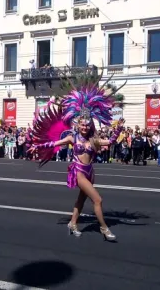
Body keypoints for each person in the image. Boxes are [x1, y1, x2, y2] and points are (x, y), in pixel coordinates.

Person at [28, 73, 127, 241]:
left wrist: (118, 128)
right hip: (79, 171)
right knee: (97, 199)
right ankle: (104, 228)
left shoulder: (94, 139)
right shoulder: (72, 137)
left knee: (81, 199)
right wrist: (36, 146)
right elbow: (53, 144)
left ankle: (73, 223)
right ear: (78, 123)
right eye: (81, 124)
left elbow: (109, 141)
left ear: (90, 126)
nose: (84, 127)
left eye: (86, 125)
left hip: (90, 172)